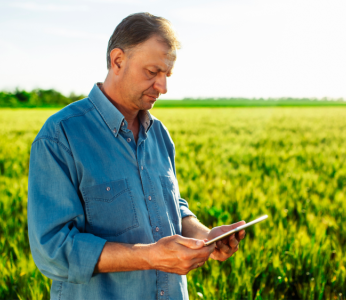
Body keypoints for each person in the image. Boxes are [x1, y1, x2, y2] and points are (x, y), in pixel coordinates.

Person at [27, 12, 246, 300]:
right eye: (152, 72)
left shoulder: (159, 134)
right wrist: (150, 256)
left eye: (167, 75)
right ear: (118, 60)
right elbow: (53, 249)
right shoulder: (61, 136)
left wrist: (205, 236)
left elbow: (170, 207)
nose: (163, 87)